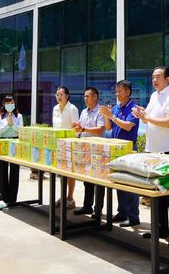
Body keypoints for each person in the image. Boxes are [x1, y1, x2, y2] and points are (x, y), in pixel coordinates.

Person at [132, 66, 169, 248]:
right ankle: (161, 229)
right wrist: (141, 115)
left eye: (158, 77)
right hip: (152, 149)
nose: (154, 80)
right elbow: (148, 120)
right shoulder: (155, 96)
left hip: (168, 151)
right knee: (157, 193)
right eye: (153, 77)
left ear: (167, 78)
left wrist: (147, 117)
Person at [101, 79, 140, 227]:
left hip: (129, 149)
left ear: (128, 92)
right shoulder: (116, 107)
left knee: (130, 184)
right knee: (119, 181)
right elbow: (108, 127)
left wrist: (112, 116)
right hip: (117, 149)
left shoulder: (134, 108)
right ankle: (122, 212)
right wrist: (107, 116)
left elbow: (128, 126)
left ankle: (133, 216)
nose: (117, 94)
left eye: (120, 91)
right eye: (116, 91)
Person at [73, 87, 106, 216]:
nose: (85, 98)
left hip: (97, 151)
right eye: (84, 96)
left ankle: (98, 210)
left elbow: (100, 129)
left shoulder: (100, 111)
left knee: (99, 183)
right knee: (87, 181)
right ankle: (87, 206)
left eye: (88, 96)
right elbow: (80, 128)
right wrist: (77, 127)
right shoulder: (83, 112)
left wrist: (83, 129)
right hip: (85, 150)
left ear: (95, 97)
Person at [53, 86, 79, 209]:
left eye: (61, 94)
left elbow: (76, 129)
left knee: (70, 173)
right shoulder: (55, 108)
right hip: (59, 145)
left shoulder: (72, 108)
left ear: (67, 96)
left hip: (70, 145)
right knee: (61, 173)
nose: (59, 97)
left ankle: (70, 198)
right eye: (57, 94)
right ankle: (62, 196)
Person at [0, 95, 22, 204]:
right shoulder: (0, 117)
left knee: (15, 169)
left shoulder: (19, 116)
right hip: (3, 142)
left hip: (15, 141)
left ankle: (12, 199)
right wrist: (8, 124)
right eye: (7, 103)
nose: (9, 105)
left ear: (14, 104)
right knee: (2, 169)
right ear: (4, 104)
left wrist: (13, 124)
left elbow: (20, 130)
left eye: (11, 102)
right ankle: (2, 197)